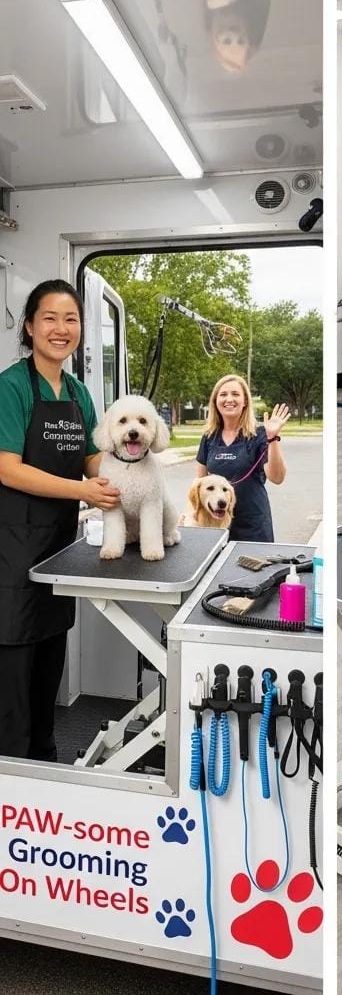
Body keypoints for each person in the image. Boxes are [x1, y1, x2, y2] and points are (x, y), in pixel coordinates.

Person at [0, 280, 120, 760]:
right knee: (13, 670)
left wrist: (121, 482)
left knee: (50, 659)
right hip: (10, 550)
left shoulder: (77, 391)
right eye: (49, 318)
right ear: (29, 326)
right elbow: (7, 467)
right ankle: (12, 772)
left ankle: (45, 761)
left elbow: (91, 457)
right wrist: (82, 491)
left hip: (56, 548)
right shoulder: (11, 387)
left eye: (70, 319)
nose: (61, 328)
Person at [196, 374, 290, 541]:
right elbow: (199, 484)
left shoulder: (259, 435)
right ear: (215, 401)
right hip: (217, 526)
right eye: (223, 394)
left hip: (253, 525)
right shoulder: (209, 437)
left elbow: (277, 477)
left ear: (245, 401)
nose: (229, 399)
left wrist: (272, 438)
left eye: (235, 394)